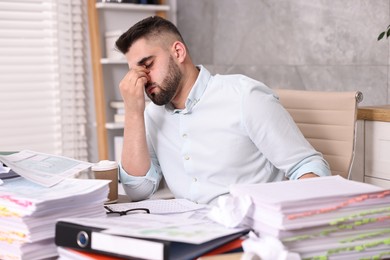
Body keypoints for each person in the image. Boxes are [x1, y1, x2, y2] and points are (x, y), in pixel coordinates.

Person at [115, 16, 331, 205]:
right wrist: (133, 113)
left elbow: (307, 166)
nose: (141, 79)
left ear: (178, 52)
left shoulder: (245, 96)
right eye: (135, 72)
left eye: (148, 65)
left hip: (249, 234)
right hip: (190, 233)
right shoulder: (153, 115)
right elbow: (138, 191)